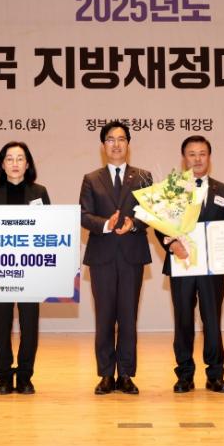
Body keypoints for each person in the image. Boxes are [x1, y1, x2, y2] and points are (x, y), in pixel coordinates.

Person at [155, 135, 224, 394]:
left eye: (202, 154)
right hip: (182, 264)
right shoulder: (172, 189)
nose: (197, 159)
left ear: (209, 157)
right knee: (183, 321)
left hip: (212, 269)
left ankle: (215, 375)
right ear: (183, 158)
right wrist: (171, 245)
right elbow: (159, 226)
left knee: (212, 320)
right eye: (192, 154)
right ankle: (185, 375)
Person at [79, 121, 152, 395]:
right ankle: (106, 374)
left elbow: (151, 214)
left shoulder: (143, 177)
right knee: (105, 317)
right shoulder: (91, 179)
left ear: (128, 144)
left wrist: (133, 224)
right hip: (103, 257)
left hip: (132, 255)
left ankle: (126, 374)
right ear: (103, 145)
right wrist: (106, 225)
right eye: (110, 139)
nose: (116, 144)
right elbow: (83, 215)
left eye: (121, 139)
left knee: (129, 318)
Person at [0, 141, 51, 395]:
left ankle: (24, 376)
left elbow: (50, 229)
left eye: (20, 158)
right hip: (0, 270)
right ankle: (3, 376)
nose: (14, 163)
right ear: (2, 164)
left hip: (31, 270)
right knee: (1, 325)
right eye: (9, 159)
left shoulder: (39, 192)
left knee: (29, 325)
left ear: (27, 163)